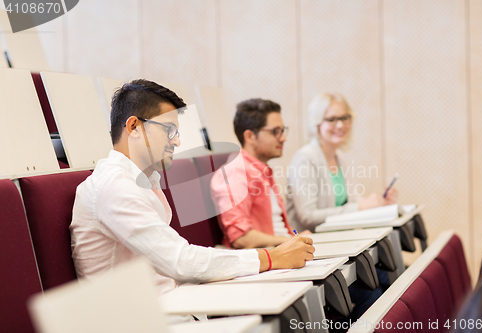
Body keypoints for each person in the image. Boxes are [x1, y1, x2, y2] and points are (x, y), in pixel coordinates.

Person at [70, 80, 314, 296]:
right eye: (170, 130)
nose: (177, 141)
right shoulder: (114, 187)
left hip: (173, 305)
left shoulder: (143, 181)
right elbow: (180, 261)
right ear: (134, 127)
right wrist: (273, 257)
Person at [287, 92, 398, 233]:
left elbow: (349, 203)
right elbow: (308, 216)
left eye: (344, 118)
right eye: (332, 119)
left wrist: (379, 205)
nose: (340, 125)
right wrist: (361, 207)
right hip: (312, 246)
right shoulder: (304, 159)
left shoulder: (339, 158)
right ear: (317, 123)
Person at [211, 98, 311, 249]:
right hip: (269, 259)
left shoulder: (261, 170)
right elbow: (240, 238)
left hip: (282, 251)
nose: (283, 138)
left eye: (282, 131)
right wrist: (289, 241)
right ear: (250, 136)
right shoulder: (235, 173)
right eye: (275, 132)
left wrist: (297, 238)